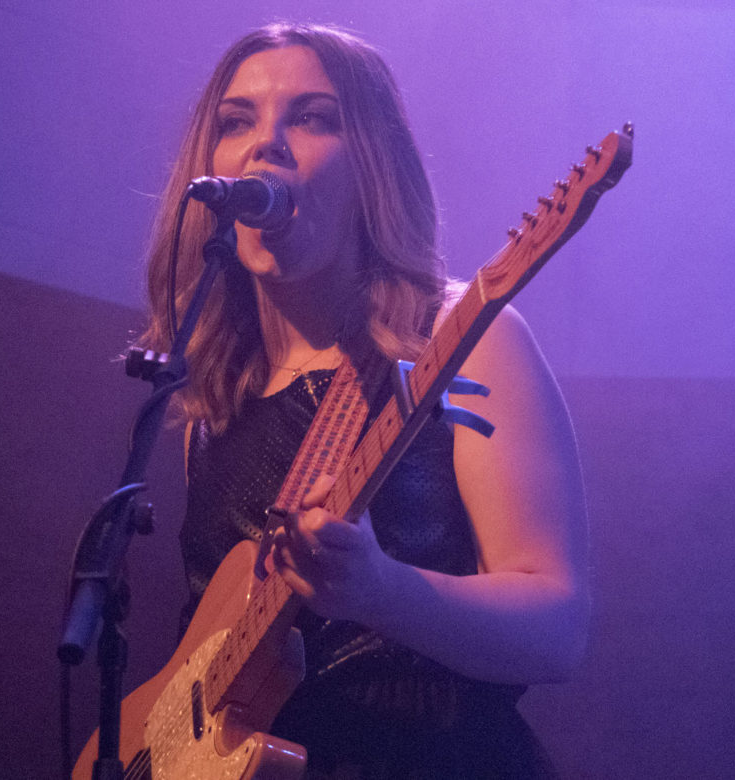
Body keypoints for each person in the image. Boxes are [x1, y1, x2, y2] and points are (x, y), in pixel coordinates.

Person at [141, 22, 589, 779]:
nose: (266, 144)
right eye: (237, 121)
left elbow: (559, 628)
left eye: (312, 118)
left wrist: (382, 593)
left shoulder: (462, 337)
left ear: (374, 167)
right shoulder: (216, 401)